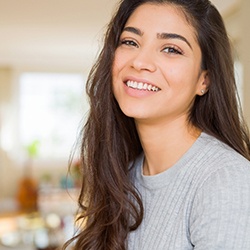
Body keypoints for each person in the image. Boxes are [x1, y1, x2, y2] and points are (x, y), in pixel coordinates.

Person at [63, 0, 250, 249]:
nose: (140, 62)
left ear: (204, 80)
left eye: (171, 49)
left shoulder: (226, 180)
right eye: (130, 42)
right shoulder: (124, 175)